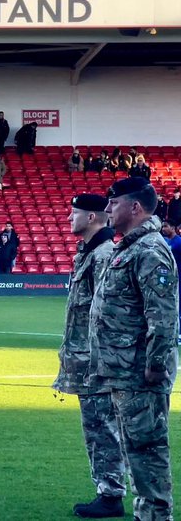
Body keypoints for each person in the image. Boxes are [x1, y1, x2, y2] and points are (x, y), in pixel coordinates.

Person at [86, 177, 179, 519]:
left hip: (141, 373)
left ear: (135, 207)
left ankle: (155, 516)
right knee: (135, 452)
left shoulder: (149, 250)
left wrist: (155, 365)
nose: (108, 209)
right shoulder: (128, 248)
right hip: (124, 371)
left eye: (114, 203)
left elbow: (163, 316)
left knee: (147, 453)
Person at [53, 194, 124, 518]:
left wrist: (104, 359)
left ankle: (111, 495)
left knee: (103, 429)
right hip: (87, 361)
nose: (70, 218)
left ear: (92, 217)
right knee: (96, 428)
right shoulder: (89, 253)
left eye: (75, 213)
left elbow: (108, 312)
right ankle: (108, 491)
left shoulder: (103, 255)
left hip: (98, 363)